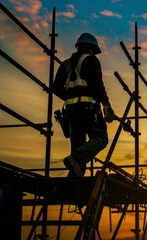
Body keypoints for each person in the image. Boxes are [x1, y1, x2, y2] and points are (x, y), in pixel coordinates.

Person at [53, 32, 115, 177]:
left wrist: (71, 97)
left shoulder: (65, 64)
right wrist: (106, 105)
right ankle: (76, 158)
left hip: (71, 111)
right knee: (100, 139)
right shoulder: (91, 60)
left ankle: (73, 184)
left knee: (78, 148)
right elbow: (98, 85)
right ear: (92, 48)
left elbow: (55, 88)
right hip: (89, 109)